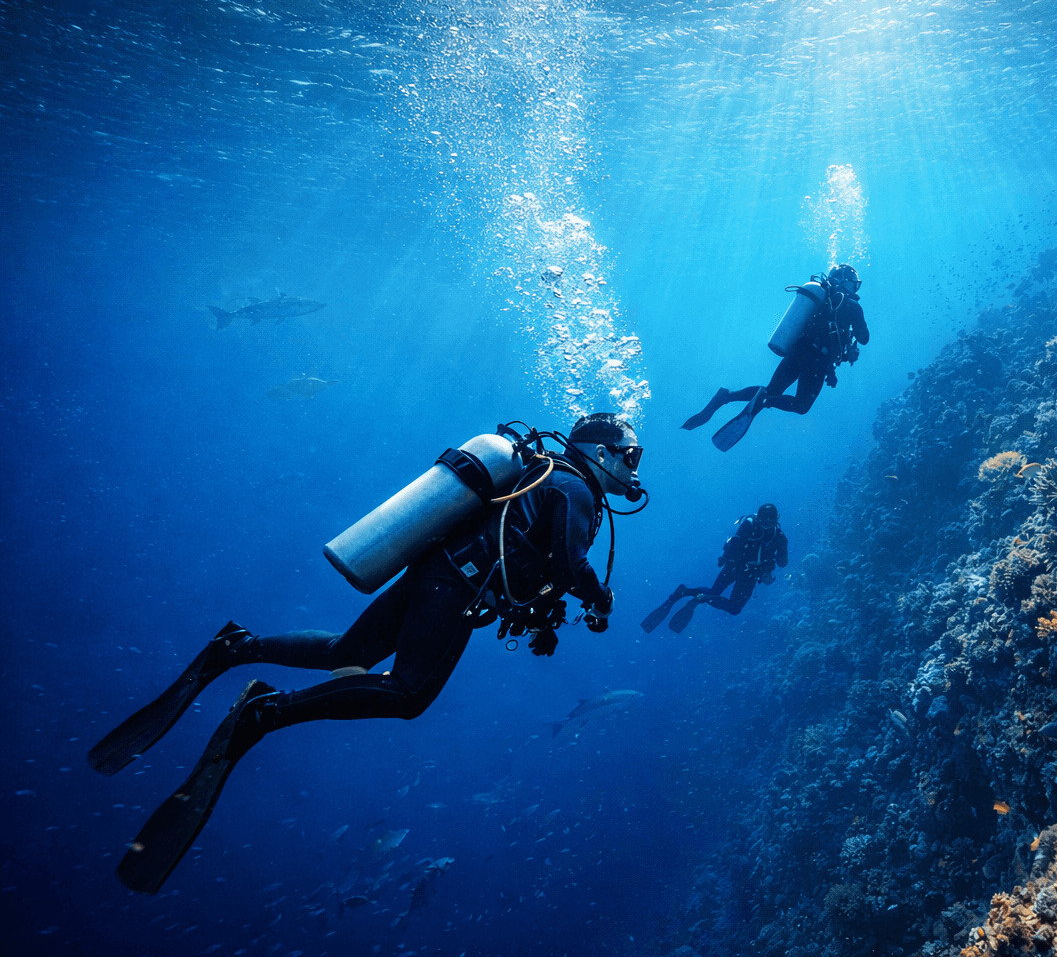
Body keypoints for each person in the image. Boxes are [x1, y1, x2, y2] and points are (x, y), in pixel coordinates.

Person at [92, 414, 644, 895]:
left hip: (436, 568)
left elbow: (531, 558)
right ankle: (265, 713)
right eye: (631, 453)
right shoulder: (574, 489)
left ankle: (236, 647)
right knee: (407, 694)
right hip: (456, 585)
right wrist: (600, 598)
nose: (635, 465)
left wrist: (543, 618)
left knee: (347, 650)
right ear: (601, 453)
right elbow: (569, 567)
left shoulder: (544, 475)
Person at [683, 263, 868, 450]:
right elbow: (864, 338)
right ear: (842, 282)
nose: (855, 289)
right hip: (815, 360)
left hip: (797, 350)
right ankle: (764, 401)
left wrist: (830, 371)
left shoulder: (820, 301)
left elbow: (823, 334)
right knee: (801, 405)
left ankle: (726, 396)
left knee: (771, 389)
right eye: (854, 284)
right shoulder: (851, 306)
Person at [642, 504, 788, 633]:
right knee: (725, 601)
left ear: (776, 519)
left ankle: (687, 592)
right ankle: (699, 597)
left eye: (771, 523)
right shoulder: (751, 525)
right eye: (765, 523)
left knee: (728, 604)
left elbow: (782, 562)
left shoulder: (779, 537)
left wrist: (767, 571)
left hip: (744, 572)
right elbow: (735, 545)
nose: (768, 526)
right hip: (737, 569)